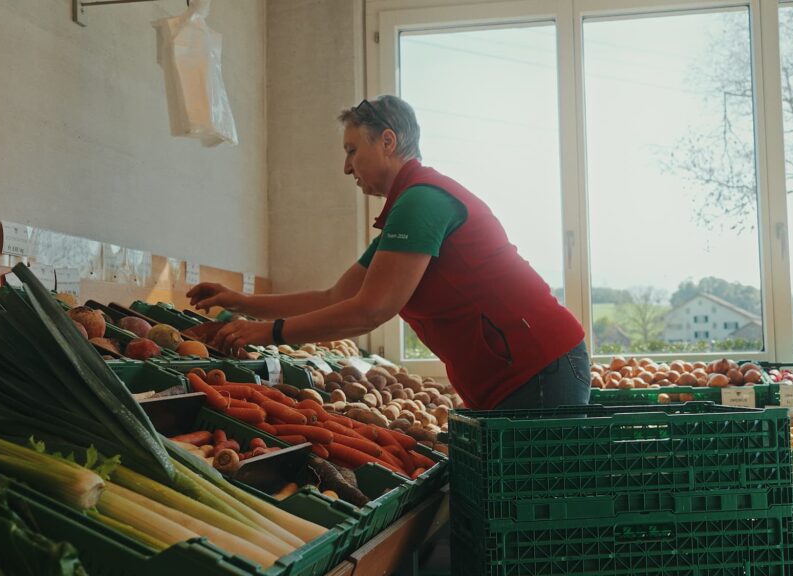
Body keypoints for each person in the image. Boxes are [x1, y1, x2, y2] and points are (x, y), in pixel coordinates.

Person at [189, 95, 589, 410]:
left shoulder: (422, 202)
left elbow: (371, 310)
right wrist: (241, 302)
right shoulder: (407, 209)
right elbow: (334, 297)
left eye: (351, 150)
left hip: (538, 367)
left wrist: (270, 333)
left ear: (387, 141)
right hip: (519, 373)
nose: (347, 167)